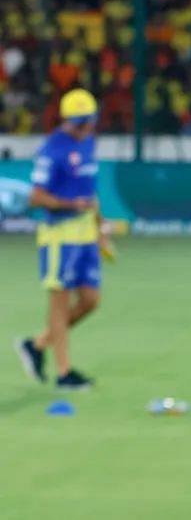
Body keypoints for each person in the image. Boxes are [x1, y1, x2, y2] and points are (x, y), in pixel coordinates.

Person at [14, 88, 112, 390]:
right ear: (68, 121)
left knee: (90, 301)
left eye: (90, 121)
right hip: (58, 236)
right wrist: (71, 206)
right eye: (81, 122)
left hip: (84, 235)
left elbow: (90, 191)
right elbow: (36, 197)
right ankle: (64, 373)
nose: (86, 128)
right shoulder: (51, 151)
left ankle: (38, 344)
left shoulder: (88, 144)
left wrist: (99, 226)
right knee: (59, 302)